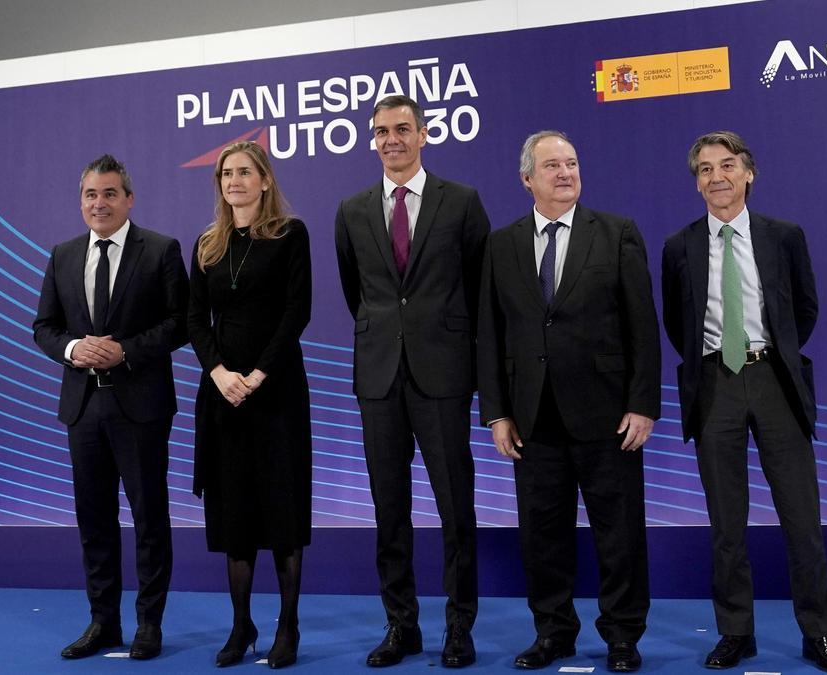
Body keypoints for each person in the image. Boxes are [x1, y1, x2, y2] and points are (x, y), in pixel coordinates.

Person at [660, 131, 827, 673]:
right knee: (726, 523)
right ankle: (735, 632)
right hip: (713, 384)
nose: (715, 177)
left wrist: (773, 355)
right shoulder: (680, 246)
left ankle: (819, 634)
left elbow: (804, 309)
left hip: (775, 383)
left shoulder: (783, 236)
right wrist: (719, 360)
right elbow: (678, 322)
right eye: (704, 169)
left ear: (749, 173)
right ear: (696, 182)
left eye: (726, 166)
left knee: (802, 521)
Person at [477, 130, 659, 673]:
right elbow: (491, 332)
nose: (565, 173)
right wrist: (497, 411)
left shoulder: (617, 233)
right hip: (533, 417)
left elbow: (641, 327)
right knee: (541, 536)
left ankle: (623, 635)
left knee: (620, 532)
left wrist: (643, 402)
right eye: (552, 165)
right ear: (527, 178)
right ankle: (553, 631)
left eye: (572, 163)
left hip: (608, 414)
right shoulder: (501, 244)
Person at [334, 94, 490, 668]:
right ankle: (402, 626)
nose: (392, 140)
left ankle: (459, 627)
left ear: (424, 135)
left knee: (456, 508)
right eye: (381, 132)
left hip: (443, 375)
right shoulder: (351, 210)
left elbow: (479, 291)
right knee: (388, 509)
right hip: (378, 379)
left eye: (403, 129)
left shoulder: (462, 203)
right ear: (372, 140)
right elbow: (361, 295)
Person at [33, 154, 188, 661]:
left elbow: (179, 323)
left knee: (149, 519)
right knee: (94, 521)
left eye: (109, 194)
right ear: (81, 202)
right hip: (82, 408)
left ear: (128, 198)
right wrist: (74, 350)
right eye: (90, 195)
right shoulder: (62, 255)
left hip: (140, 405)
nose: (99, 203)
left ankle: (149, 624)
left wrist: (126, 350)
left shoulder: (161, 250)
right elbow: (45, 327)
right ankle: (103, 623)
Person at [186, 141, 312, 669]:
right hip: (223, 398)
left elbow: (296, 311)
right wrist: (220, 374)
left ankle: (288, 625)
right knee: (234, 515)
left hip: (276, 392)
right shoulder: (207, 244)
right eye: (225, 173)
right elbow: (195, 320)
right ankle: (242, 625)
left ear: (264, 180)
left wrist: (257, 375)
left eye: (244, 172)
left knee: (280, 513)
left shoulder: (290, 234)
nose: (233, 180)